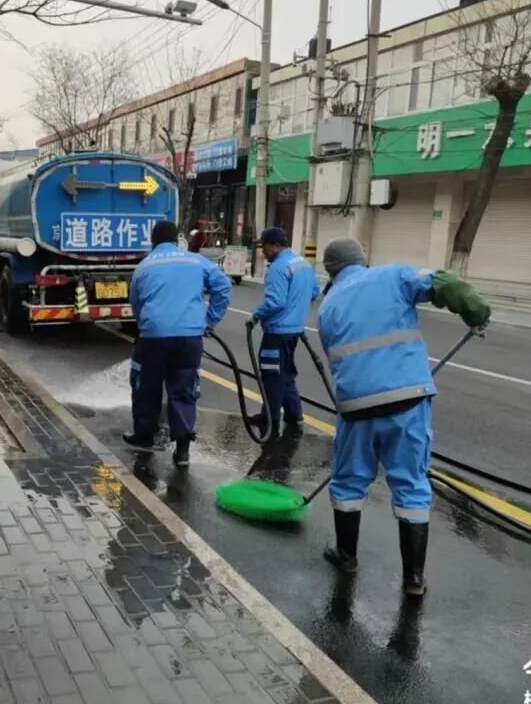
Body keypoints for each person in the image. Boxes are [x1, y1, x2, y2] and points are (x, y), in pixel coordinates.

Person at [316, 237, 491, 596]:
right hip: (407, 400)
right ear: (362, 259)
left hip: (355, 407)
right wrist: (477, 313)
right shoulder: (393, 276)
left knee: (348, 482)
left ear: (331, 271)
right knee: (411, 484)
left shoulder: (327, 306)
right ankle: (413, 579)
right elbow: (444, 283)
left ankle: (346, 556)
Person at [125, 220, 232, 467]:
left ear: (153, 241)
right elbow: (223, 287)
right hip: (189, 337)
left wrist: (146, 326)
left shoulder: (144, 266)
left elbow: (136, 303)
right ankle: (183, 449)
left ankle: (144, 436)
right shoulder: (196, 261)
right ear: (177, 240)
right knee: (184, 389)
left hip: (153, 336)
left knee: (146, 387)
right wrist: (209, 321)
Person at [246, 227, 320, 437]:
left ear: (276, 245)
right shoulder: (302, 263)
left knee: (272, 374)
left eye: (264, 247)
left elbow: (275, 302)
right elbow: (314, 291)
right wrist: (296, 310)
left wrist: (255, 316)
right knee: (285, 372)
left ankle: (270, 418)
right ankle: (294, 413)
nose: (263, 252)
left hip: (277, 331)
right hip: (294, 330)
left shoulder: (278, 268)